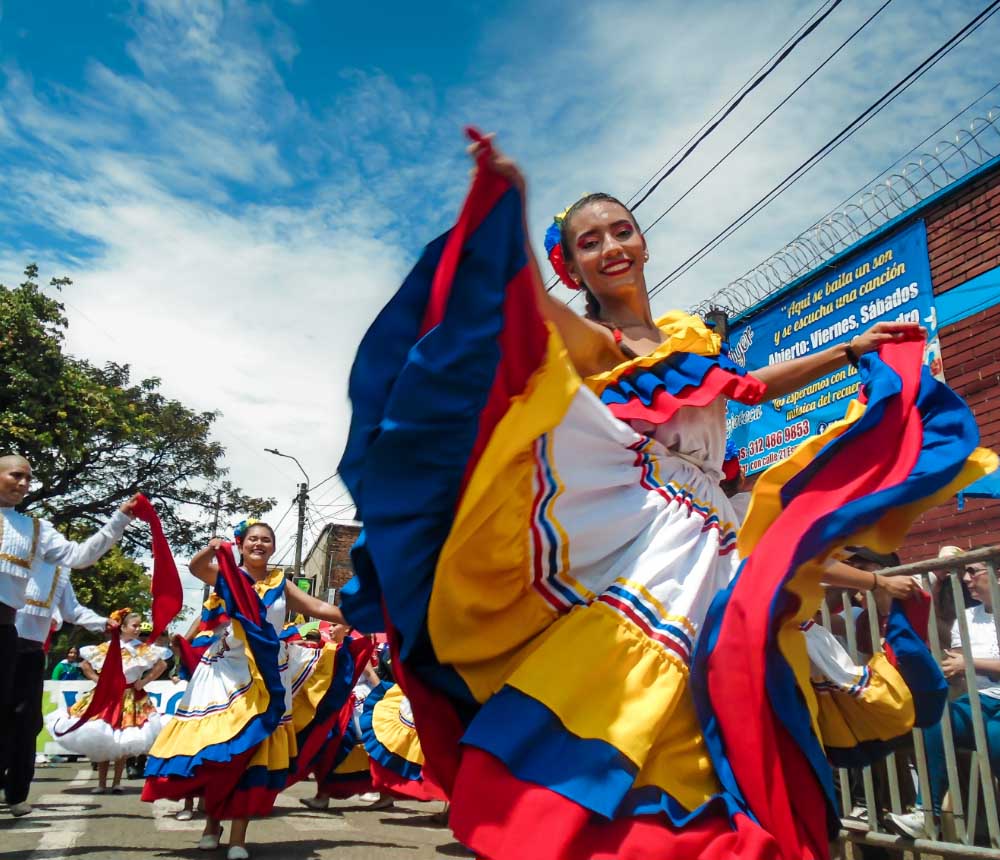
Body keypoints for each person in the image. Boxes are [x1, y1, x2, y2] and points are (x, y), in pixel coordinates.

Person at [336, 132, 995, 860]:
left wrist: (850, 349)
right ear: (574, 263)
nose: (611, 247)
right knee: (649, 700)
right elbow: (524, 304)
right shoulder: (597, 337)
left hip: (717, 531)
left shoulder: (688, 337)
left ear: (643, 242)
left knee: (748, 695)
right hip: (644, 530)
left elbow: (749, 385)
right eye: (590, 242)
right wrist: (509, 207)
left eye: (622, 231)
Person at [142, 522, 350, 860]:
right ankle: (212, 825)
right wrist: (212, 549)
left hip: (269, 675)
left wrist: (367, 615)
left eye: (266, 540)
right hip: (225, 672)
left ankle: (238, 835)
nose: (260, 544)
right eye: (253, 538)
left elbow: (319, 608)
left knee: (253, 753)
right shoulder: (227, 575)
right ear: (241, 544)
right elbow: (196, 568)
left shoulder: (282, 583)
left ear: (273, 547)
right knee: (221, 752)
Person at [0, 455, 138, 724]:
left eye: (28, 478)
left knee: (14, 720)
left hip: (7, 633)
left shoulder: (36, 530)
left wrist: (119, 519)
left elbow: (80, 556)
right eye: (16, 475)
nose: (23, 483)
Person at [887, 557, 1000, 839]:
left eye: (973, 571)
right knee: (937, 717)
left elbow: (968, 662)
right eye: (965, 572)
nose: (965, 578)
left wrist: (969, 664)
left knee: (996, 736)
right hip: (981, 700)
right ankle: (927, 815)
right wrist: (943, 668)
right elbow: (959, 661)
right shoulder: (969, 616)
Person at [0, 564, 108, 817]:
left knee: (27, 724)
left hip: (30, 652)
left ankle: (17, 794)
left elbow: (72, 610)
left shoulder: (56, 572)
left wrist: (103, 623)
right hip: (3, 643)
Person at [45, 609, 169, 792]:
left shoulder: (141, 648)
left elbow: (162, 664)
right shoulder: (106, 647)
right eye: (134, 626)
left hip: (130, 697)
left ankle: (117, 782)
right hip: (106, 697)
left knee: (123, 740)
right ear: (123, 627)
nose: (137, 629)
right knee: (102, 735)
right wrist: (99, 681)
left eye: (138, 626)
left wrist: (143, 681)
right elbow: (85, 665)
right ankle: (101, 783)